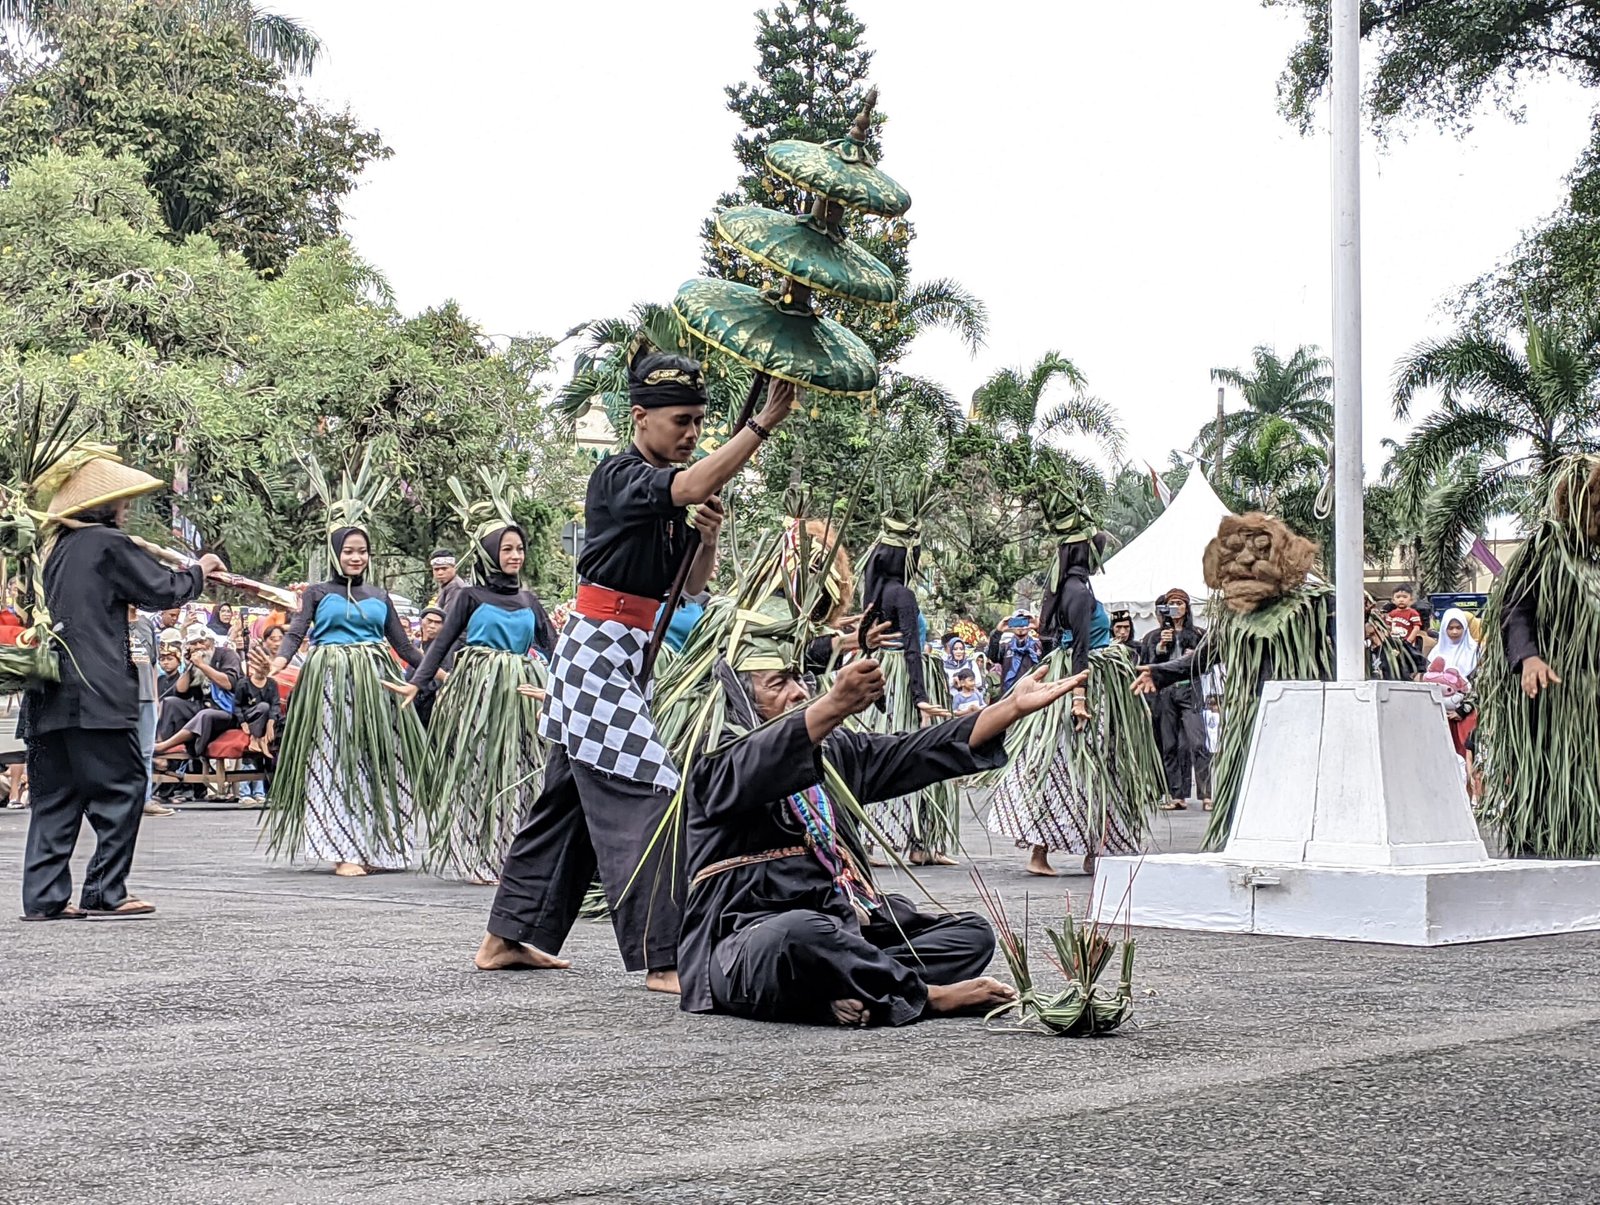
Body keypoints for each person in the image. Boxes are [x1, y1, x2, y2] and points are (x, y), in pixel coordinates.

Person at [478, 345, 796, 992]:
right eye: (681, 421)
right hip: (595, 653)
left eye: (699, 422)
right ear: (641, 417)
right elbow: (691, 482)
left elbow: (687, 586)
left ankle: (504, 937)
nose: (690, 434)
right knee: (651, 791)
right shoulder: (618, 475)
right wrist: (758, 426)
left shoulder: (673, 502)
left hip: (628, 652)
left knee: (564, 804)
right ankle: (664, 956)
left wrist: (704, 537)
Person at [679, 634, 1083, 1026]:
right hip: (751, 944)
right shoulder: (714, 758)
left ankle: (842, 991)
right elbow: (759, 762)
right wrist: (835, 704)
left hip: (842, 926)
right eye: (778, 684)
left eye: (799, 679)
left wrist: (1009, 707)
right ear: (740, 698)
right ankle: (926, 996)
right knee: (799, 932)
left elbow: (916, 752)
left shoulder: (836, 750)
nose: (800, 692)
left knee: (971, 935)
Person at [20, 447, 215, 921]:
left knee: (55, 796)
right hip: (95, 688)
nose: (127, 510)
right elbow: (162, 591)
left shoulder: (52, 551)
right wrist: (200, 571)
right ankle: (107, 890)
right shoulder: (106, 544)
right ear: (105, 506)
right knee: (124, 786)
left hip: (48, 689)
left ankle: (44, 897)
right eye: (123, 502)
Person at [987, 493, 1163, 877]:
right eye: (1098, 549)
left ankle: (1069, 850)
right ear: (1088, 554)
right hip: (1088, 683)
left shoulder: (1066, 586)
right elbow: (1081, 649)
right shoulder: (1079, 593)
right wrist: (1080, 698)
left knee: (1067, 765)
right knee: (1091, 766)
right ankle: (1070, 851)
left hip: (1071, 678)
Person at [263, 467, 426, 876]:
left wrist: (441, 672)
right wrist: (277, 664)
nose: (356, 557)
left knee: (381, 759)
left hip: (378, 682)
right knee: (336, 759)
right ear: (336, 553)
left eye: (362, 551)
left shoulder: (380, 595)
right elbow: (297, 632)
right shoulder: (318, 593)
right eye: (349, 551)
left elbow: (404, 647)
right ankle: (343, 849)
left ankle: (379, 845)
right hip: (332, 683)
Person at [396, 498, 555, 884]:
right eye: (507, 549)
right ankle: (478, 853)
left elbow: (556, 647)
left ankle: (514, 858)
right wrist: (417, 683)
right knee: (481, 769)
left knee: (521, 771)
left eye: (519, 548)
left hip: (520, 694)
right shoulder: (470, 598)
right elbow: (441, 644)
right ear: (488, 553)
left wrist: (559, 690)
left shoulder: (529, 601)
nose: (515, 555)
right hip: (479, 692)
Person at [1477, 455, 1600, 857]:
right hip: (1554, 700)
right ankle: (1541, 845)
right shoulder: (1546, 550)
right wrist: (1528, 658)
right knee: (1556, 778)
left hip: (1590, 699)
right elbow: (1516, 610)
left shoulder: (1591, 565)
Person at [859, 519, 958, 866]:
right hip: (903, 680)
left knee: (879, 752)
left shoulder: (873, 591)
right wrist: (921, 698)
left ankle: (892, 843)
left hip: (880, 676)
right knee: (916, 756)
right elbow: (911, 650)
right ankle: (908, 843)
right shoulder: (902, 595)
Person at [1137, 588, 1211, 812]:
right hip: (1165, 693)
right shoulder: (1153, 636)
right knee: (1168, 744)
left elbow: (1209, 661)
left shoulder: (1199, 634)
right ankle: (1176, 794)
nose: (1177, 608)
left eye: (1181, 603)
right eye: (1172, 604)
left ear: (1187, 607)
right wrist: (1160, 647)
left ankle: (1206, 794)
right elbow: (1146, 664)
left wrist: (1195, 656)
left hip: (1191, 689)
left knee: (1197, 742)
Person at [151, 624, 244, 770]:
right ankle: (162, 754)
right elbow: (181, 691)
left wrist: (203, 666)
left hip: (228, 711)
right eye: (194, 643)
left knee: (205, 715)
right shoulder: (194, 662)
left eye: (203, 641)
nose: (200, 646)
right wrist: (188, 666)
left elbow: (228, 684)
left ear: (211, 641)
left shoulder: (227, 655)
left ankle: (163, 746)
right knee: (170, 702)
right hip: (203, 706)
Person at [428, 550, 465, 616]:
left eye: (444, 568)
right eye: (436, 569)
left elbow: (447, 618)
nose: (440, 573)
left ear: (454, 568)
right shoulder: (445, 585)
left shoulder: (455, 587)